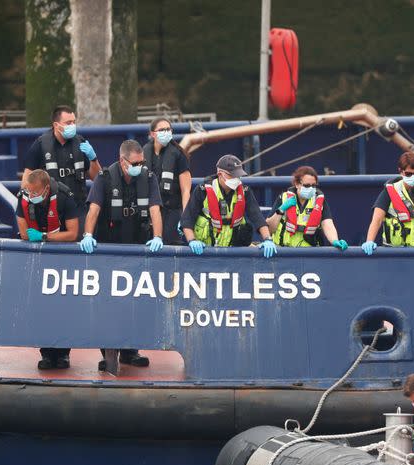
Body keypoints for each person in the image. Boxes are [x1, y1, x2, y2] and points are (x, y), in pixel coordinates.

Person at [80, 139, 166, 370]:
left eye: (142, 162)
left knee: (136, 303)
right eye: (135, 163)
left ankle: (131, 350)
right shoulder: (105, 178)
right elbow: (94, 210)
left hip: (137, 250)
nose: (140, 166)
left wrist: (158, 237)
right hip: (109, 251)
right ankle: (108, 352)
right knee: (107, 305)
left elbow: (155, 210)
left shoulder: (148, 179)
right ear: (123, 161)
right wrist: (88, 235)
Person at [17, 169, 80, 369]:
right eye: (29, 192)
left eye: (35, 193)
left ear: (45, 189)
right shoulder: (23, 198)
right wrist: (35, 237)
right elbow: (23, 233)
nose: (31, 196)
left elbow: (72, 233)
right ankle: (46, 353)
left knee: (64, 306)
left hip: (63, 258)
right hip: (38, 258)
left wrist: (44, 237)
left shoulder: (64, 197)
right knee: (40, 305)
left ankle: (63, 354)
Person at [181, 154, 277, 258]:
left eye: (238, 175)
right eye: (232, 175)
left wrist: (268, 239)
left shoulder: (245, 192)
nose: (236, 179)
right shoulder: (203, 190)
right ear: (220, 174)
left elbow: (258, 218)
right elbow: (187, 219)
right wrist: (192, 240)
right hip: (204, 250)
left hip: (233, 251)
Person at [22, 105, 102, 228]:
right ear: (56, 125)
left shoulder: (80, 142)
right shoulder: (41, 144)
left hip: (77, 210)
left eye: (74, 122)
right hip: (51, 211)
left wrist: (93, 158)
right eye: (68, 122)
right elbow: (26, 181)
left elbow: (96, 178)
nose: (72, 126)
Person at [266, 165, 347, 250]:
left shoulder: (319, 200)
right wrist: (281, 209)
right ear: (297, 184)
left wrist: (335, 241)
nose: (311, 189)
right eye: (307, 186)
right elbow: (269, 230)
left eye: (314, 186)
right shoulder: (284, 198)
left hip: (310, 253)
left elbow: (328, 224)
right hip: (284, 252)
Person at [142, 117, 191, 245]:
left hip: (171, 210)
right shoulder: (143, 153)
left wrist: (185, 217)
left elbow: (186, 190)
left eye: (168, 129)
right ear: (153, 134)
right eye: (162, 129)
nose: (166, 132)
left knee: (171, 246)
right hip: (149, 211)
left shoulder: (179, 154)